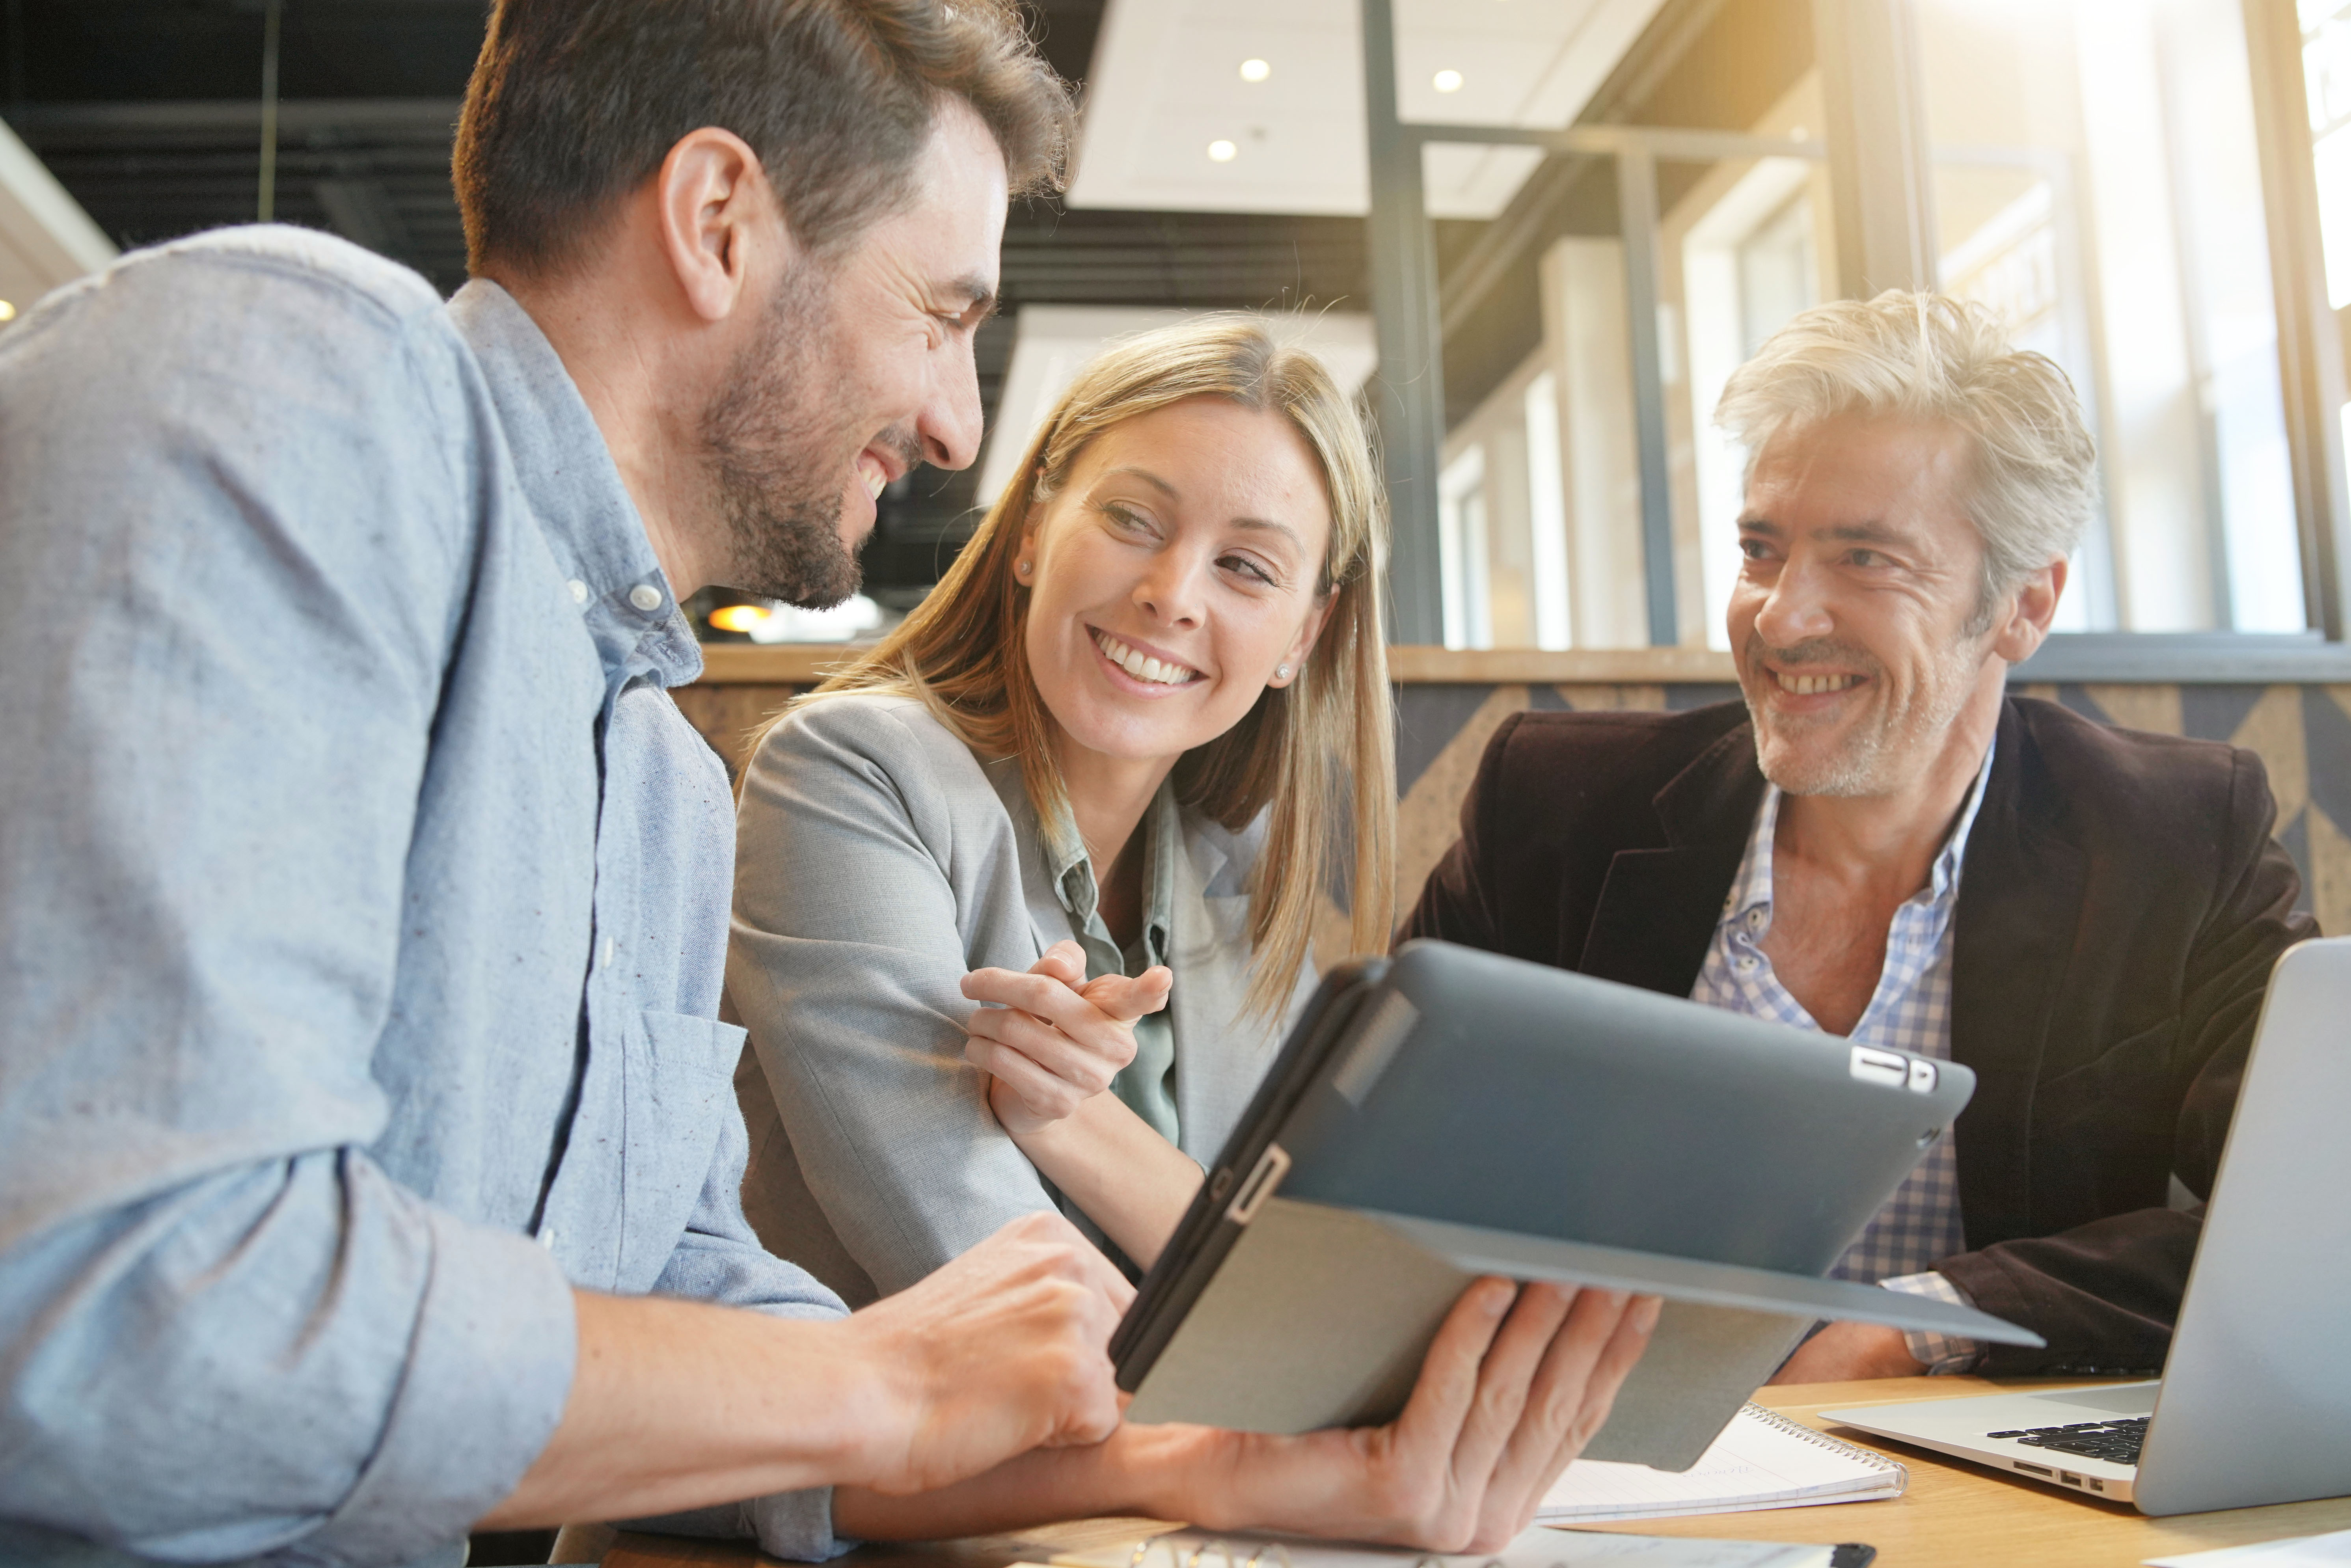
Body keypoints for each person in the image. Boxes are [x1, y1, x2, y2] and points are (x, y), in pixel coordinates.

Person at [0, 2, 1655, 1562]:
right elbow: (127, 1303)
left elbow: (697, 1332)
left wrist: (1242, 1466)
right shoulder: (289, 372)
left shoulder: (653, 780)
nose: (955, 428)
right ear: (719, 219)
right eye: (941, 314)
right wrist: (890, 1382)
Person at [1402, 292, 2314, 1382]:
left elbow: (2304, 1218)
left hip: (1971, 1497)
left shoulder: (2171, 840)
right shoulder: (1553, 806)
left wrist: (1911, 1325)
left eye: (1865, 560)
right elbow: (1369, 1169)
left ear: (2022, 604)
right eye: (1760, 548)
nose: (1781, 618)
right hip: (1576, 1467)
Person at [729, 315, 1395, 1298]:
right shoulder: (846, 772)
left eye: (1246, 567)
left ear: (1304, 635)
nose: (1171, 596)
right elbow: (1001, 1293)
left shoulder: (1236, 867)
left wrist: (1079, 1127)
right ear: (1035, 531)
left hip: (1182, 1434)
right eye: (1133, 519)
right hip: (883, 1450)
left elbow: (1317, 1291)